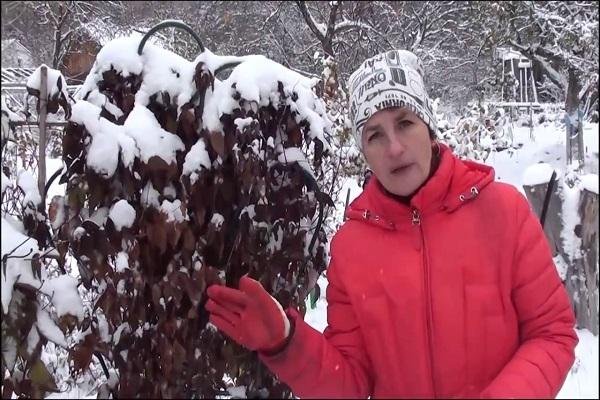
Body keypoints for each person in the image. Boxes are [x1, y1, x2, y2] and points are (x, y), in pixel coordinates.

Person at [205, 50, 577, 398]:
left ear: (429, 129)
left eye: (405, 123)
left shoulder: (503, 211)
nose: (394, 148)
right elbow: (349, 382)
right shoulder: (352, 249)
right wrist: (287, 343)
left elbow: (552, 334)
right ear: (363, 151)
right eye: (375, 135)